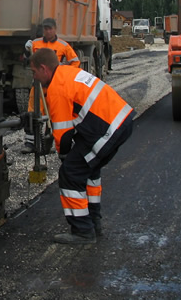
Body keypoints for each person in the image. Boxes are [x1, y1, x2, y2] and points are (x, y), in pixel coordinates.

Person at [29, 47, 134, 245]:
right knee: (90, 169)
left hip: (105, 130)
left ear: (44, 69)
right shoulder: (68, 72)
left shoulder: (56, 89)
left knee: (70, 174)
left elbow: (63, 132)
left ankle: (83, 231)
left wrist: (64, 157)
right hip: (119, 121)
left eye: (34, 72)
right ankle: (94, 222)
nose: (34, 77)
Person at [22, 18, 79, 152]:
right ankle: (30, 143)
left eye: (50, 29)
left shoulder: (62, 45)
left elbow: (75, 62)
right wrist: (26, 51)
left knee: (53, 114)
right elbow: (26, 61)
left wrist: (62, 71)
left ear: (55, 29)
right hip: (37, 87)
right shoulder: (35, 44)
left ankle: (48, 142)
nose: (47, 31)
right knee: (32, 113)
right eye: (45, 29)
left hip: (54, 87)